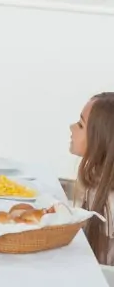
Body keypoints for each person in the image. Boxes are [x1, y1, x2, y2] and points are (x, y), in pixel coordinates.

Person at [70, 92, 114, 265]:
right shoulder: (96, 179)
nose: (71, 127)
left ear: (100, 140)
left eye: (80, 125)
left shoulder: (110, 201)